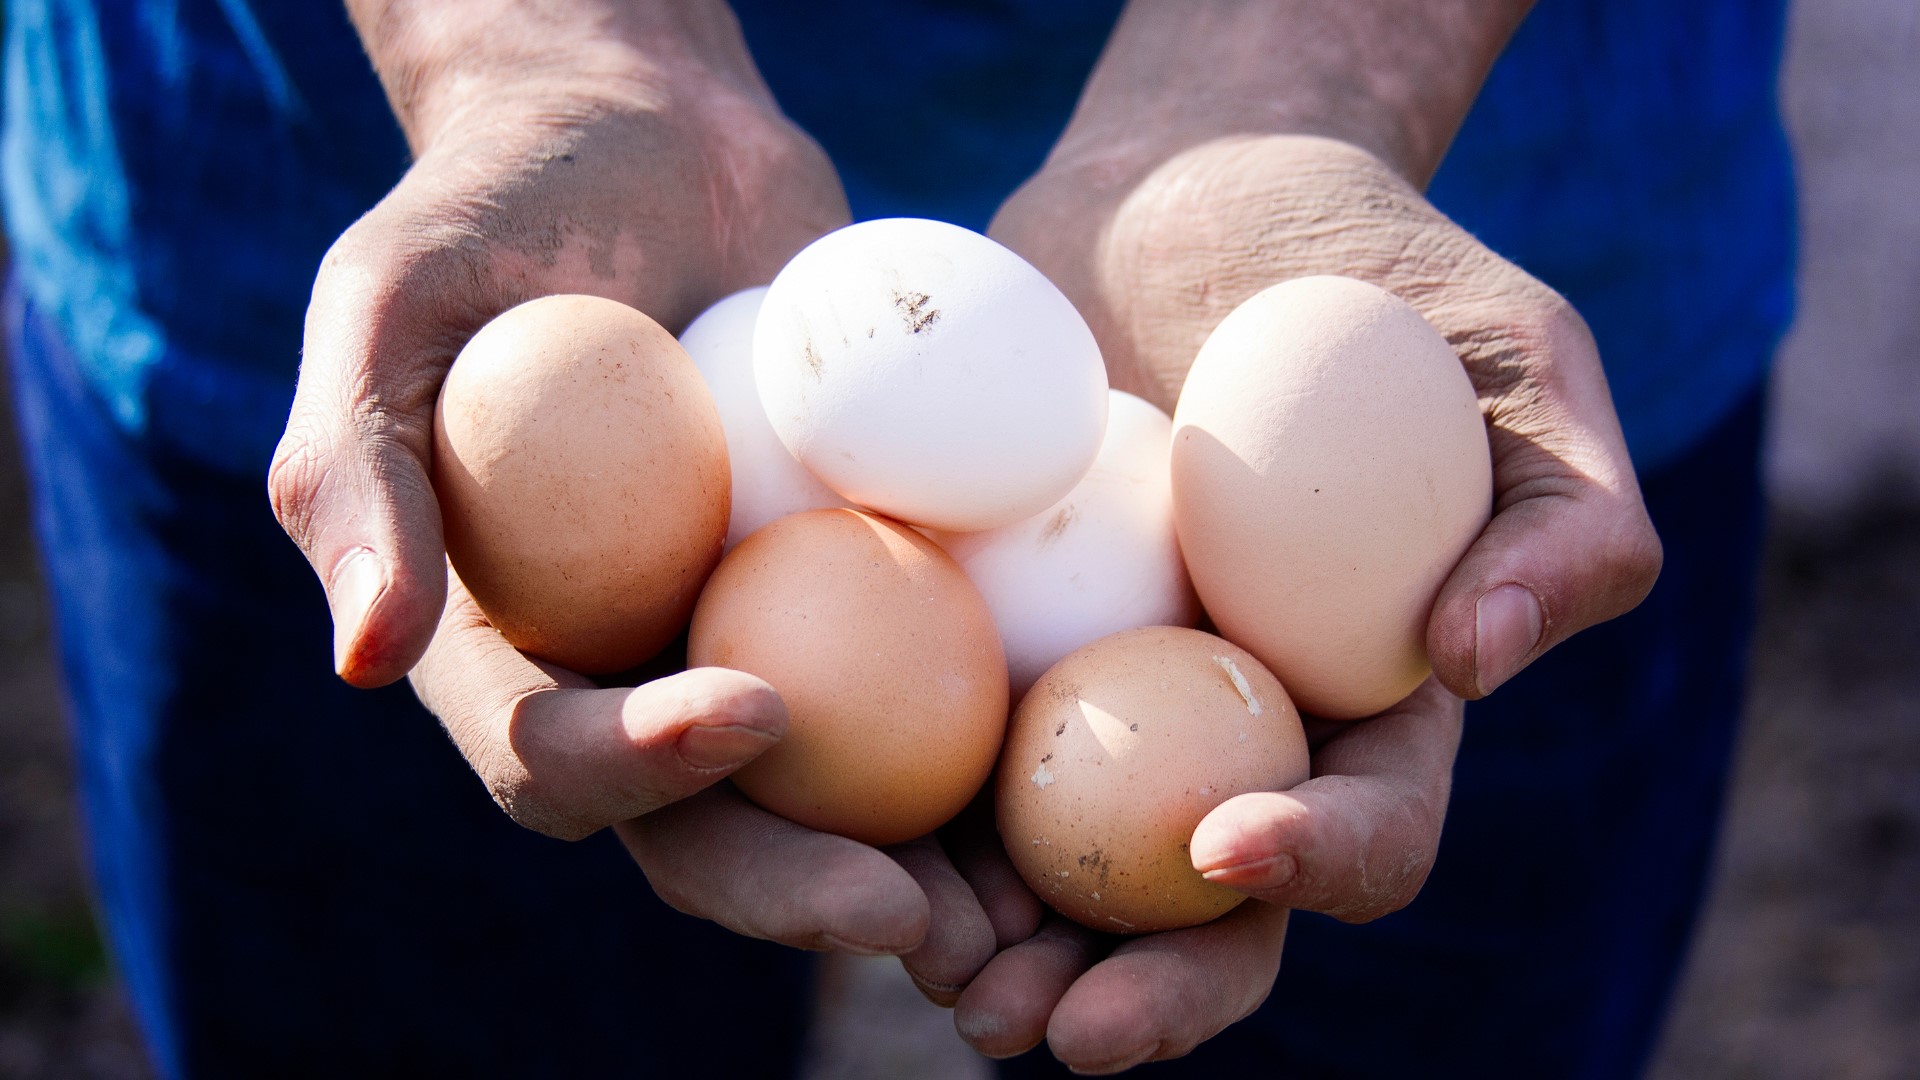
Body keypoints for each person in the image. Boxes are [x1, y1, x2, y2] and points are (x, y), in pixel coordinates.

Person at [2, 1, 1792, 1076]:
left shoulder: (1322, 489)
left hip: (1435, 219)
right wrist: (539, 49)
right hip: (394, 212)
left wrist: (1310, 67)